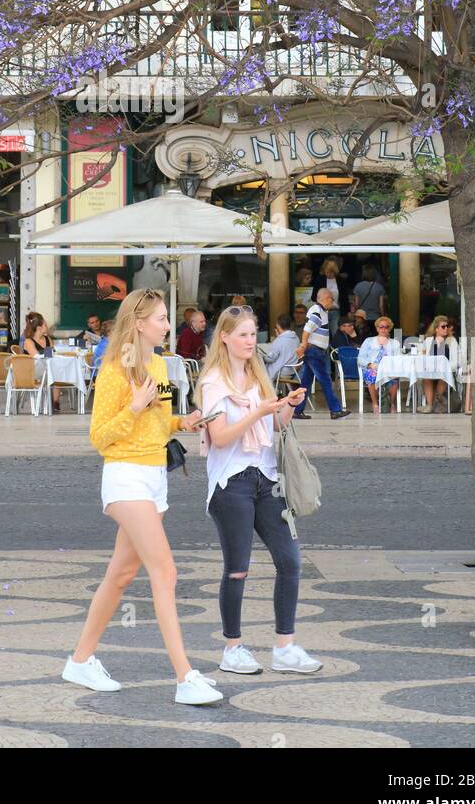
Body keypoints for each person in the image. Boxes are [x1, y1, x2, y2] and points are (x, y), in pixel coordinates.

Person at [62, 288, 220, 705]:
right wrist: (132, 408)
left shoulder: (158, 365)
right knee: (164, 571)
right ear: (138, 322)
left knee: (120, 575)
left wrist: (182, 421)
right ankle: (185, 677)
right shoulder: (115, 369)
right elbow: (99, 437)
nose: (169, 325)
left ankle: (80, 660)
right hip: (125, 477)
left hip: (155, 478)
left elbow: (157, 421)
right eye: (162, 318)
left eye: (168, 318)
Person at [196, 305, 322, 676]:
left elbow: (272, 425)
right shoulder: (213, 383)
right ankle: (232, 647)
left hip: (267, 479)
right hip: (231, 482)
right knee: (238, 569)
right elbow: (219, 438)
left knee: (291, 561)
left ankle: (285, 645)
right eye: (243, 335)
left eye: (253, 334)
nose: (251, 342)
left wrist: (286, 408)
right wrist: (256, 412)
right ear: (225, 338)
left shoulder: (258, 376)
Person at [294, 290, 350, 420]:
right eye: (332, 299)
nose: (333, 303)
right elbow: (307, 329)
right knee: (325, 380)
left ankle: (297, 410)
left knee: (306, 383)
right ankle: (335, 410)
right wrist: (303, 345)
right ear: (327, 298)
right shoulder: (317, 310)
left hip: (314, 351)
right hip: (314, 351)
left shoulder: (322, 311)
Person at [357, 316, 401, 414]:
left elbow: (398, 359)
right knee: (372, 374)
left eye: (386, 327)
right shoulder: (369, 341)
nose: (383, 329)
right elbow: (360, 358)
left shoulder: (395, 343)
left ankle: (392, 403)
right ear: (377, 328)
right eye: (381, 327)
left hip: (389, 369)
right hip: (372, 367)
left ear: (389, 328)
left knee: (394, 377)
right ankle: (375, 403)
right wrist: (370, 364)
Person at [421, 316, 461, 414]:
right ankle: (430, 405)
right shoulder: (428, 341)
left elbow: (457, 361)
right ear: (436, 329)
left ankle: (434, 403)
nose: (446, 328)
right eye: (443, 327)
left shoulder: (452, 341)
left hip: (446, 371)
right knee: (426, 376)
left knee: (443, 375)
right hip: (431, 371)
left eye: (447, 326)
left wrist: (444, 367)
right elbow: (422, 357)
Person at [23, 312, 56, 411]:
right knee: (53, 373)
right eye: (45, 324)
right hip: (32, 371)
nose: (47, 326)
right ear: (39, 327)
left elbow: (52, 354)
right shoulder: (28, 341)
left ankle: (54, 403)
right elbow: (36, 357)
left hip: (46, 369)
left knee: (56, 372)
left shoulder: (48, 339)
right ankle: (52, 403)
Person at [263, 314, 300, 382]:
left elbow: (270, 359)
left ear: (278, 325)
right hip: (292, 370)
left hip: (281, 371)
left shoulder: (279, 340)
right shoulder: (296, 338)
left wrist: (263, 357)